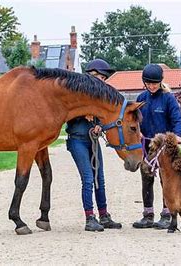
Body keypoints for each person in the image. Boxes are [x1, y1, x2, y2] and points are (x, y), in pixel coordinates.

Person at [66, 59, 122, 232]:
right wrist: (83, 114)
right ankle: (90, 217)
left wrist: (100, 125)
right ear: (90, 76)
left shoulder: (99, 97)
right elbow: (67, 114)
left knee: (100, 179)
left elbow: (104, 118)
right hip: (77, 139)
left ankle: (104, 215)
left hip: (93, 140)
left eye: (103, 78)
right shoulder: (76, 95)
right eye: (98, 76)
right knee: (88, 179)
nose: (101, 80)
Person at [132, 63, 181, 229]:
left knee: (166, 180)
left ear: (160, 82)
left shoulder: (168, 98)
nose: (152, 86)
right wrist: (137, 132)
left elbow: (177, 119)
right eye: (149, 83)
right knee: (146, 178)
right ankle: (147, 215)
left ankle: (167, 214)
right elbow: (134, 119)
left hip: (164, 148)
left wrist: (178, 135)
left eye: (155, 83)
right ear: (145, 83)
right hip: (147, 145)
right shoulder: (141, 99)